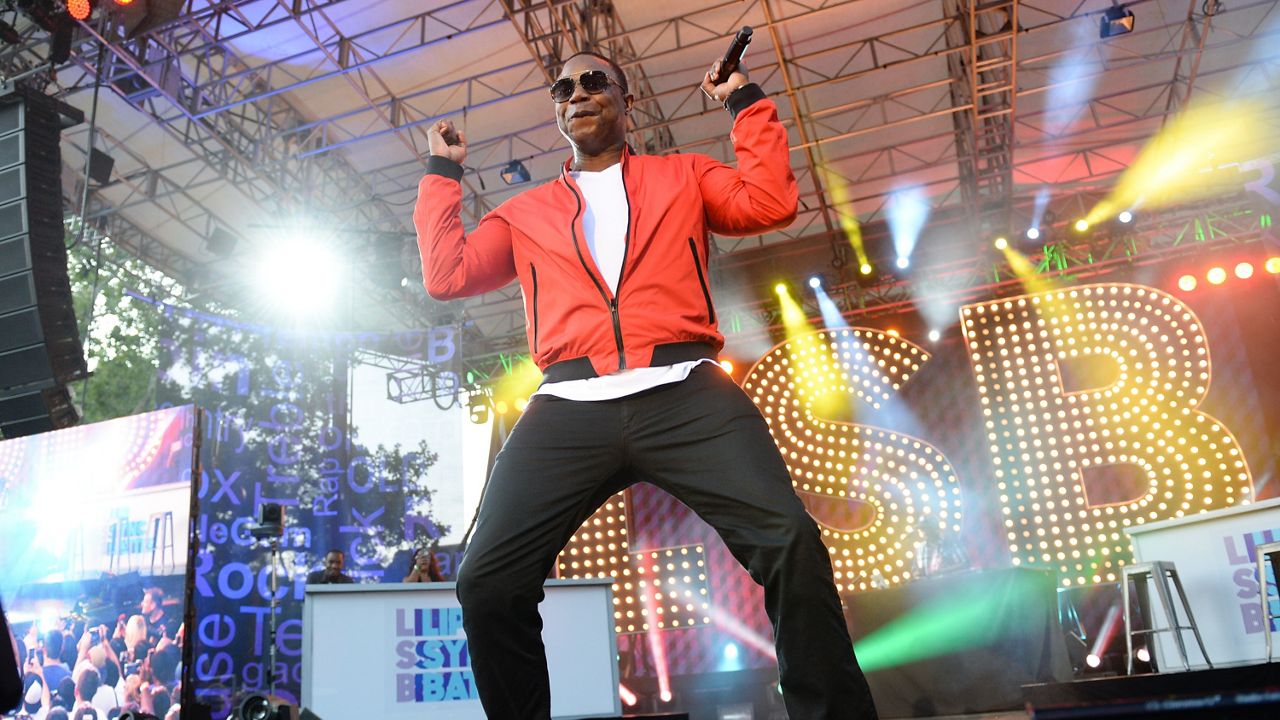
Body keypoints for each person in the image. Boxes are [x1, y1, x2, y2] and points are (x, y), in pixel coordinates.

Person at [414, 49, 879, 719]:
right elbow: (447, 275)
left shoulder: (683, 175)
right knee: (485, 583)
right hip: (569, 407)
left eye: (596, 80)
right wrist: (442, 172)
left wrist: (743, 100)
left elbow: (772, 202)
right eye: (565, 87)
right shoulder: (525, 213)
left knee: (792, 543)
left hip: (685, 388)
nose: (579, 92)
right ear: (557, 112)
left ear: (627, 104)